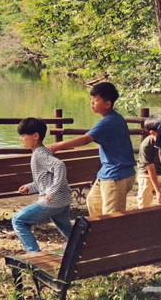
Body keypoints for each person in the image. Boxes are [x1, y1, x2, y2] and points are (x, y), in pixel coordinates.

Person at [48, 82, 136, 216]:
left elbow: (85, 139)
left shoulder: (109, 122)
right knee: (93, 201)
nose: (92, 103)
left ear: (107, 104)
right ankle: (100, 234)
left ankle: (111, 235)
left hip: (117, 174)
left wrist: (56, 146)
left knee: (112, 216)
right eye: (92, 99)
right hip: (108, 172)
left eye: (96, 100)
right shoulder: (114, 119)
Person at [11, 118, 73, 253]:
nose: (21, 139)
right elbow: (44, 180)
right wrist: (30, 187)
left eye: (23, 135)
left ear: (35, 136)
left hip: (52, 201)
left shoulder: (39, 154)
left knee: (18, 221)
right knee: (68, 230)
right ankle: (82, 247)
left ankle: (34, 253)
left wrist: (52, 192)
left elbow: (60, 166)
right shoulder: (43, 152)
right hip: (63, 201)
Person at [136, 115, 161, 208]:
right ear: (153, 133)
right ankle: (142, 213)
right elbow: (150, 169)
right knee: (145, 193)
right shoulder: (147, 145)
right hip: (146, 172)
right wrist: (158, 191)